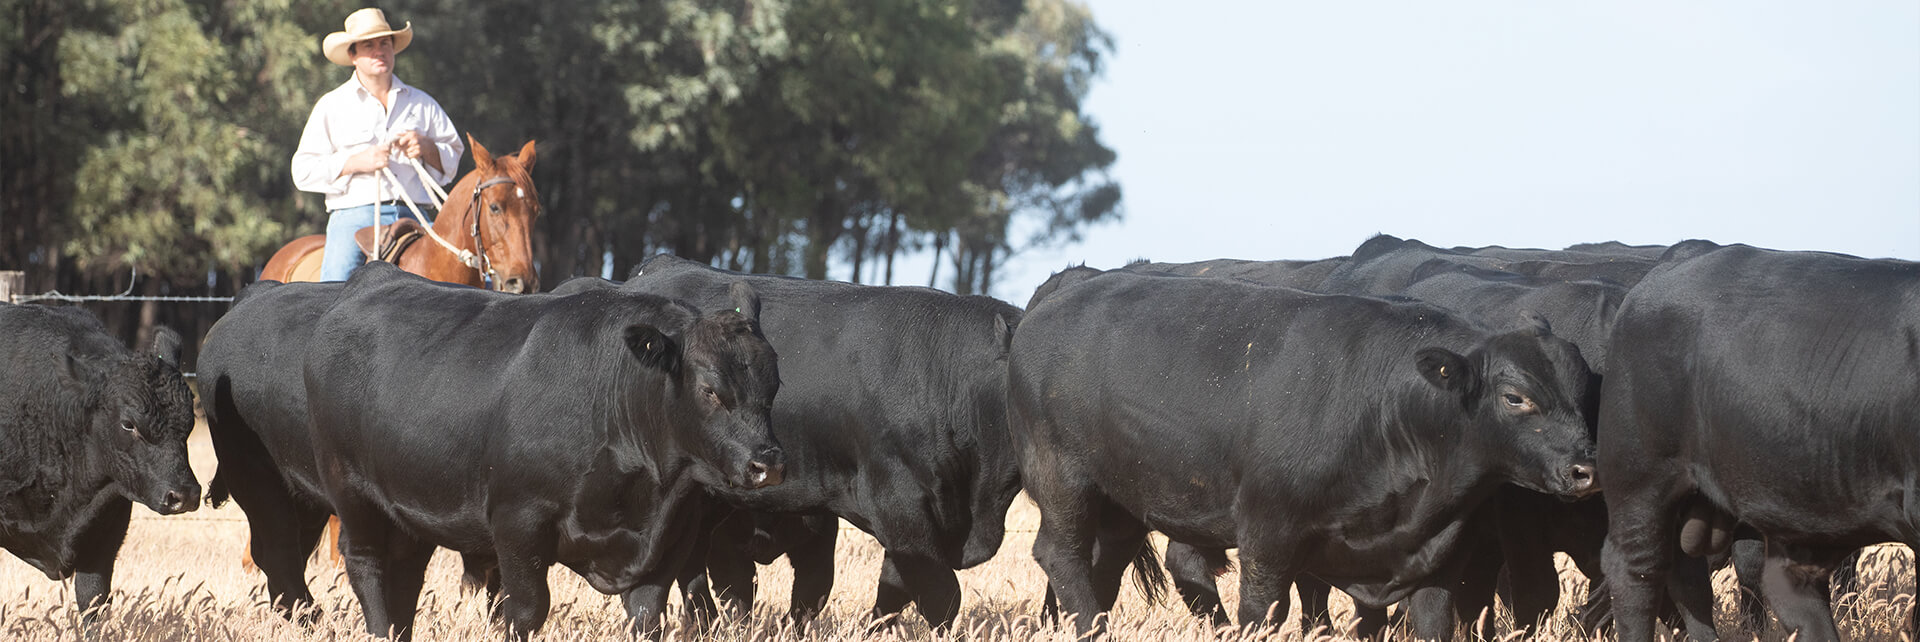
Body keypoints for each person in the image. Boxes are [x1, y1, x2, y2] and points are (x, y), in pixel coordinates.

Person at [291, 8, 464, 281]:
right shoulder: (332, 105)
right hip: (354, 214)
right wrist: (355, 162)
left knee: (465, 271)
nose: (379, 51)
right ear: (353, 55)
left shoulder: (422, 103)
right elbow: (303, 169)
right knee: (334, 286)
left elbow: (453, 156)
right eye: (368, 45)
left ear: (393, 49)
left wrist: (427, 148)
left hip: (415, 213)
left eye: (385, 43)